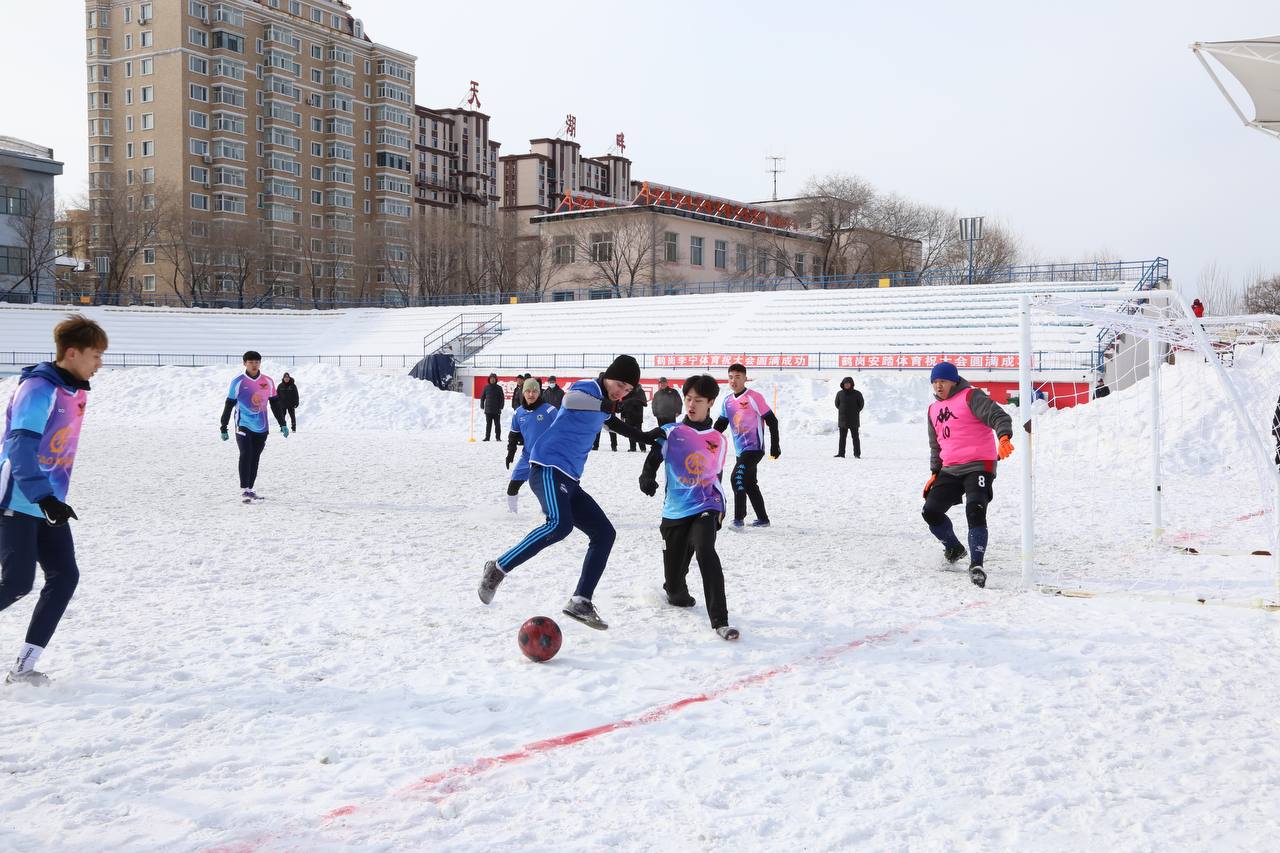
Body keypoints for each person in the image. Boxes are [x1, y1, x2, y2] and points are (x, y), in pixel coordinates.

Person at [478, 355, 656, 630]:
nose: (621, 392)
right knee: (559, 525)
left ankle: (581, 600)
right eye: (619, 384)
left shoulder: (603, 404)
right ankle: (498, 568)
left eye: (627, 390)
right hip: (547, 466)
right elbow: (569, 401)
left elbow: (612, 423)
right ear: (608, 375)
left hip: (570, 477)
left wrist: (645, 437)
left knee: (605, 533)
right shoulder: (588, 388)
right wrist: (605, 405)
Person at [0, 315, 108, 685]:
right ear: (73, 353)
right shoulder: (38, 389)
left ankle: (24, 668)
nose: (100, 363)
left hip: (48, 502)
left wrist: (52, 499)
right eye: (95, 355)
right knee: (15, 584)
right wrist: (43, 495)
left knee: (64, 577)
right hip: (17, 501)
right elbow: (20, 445)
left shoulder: (71, 390)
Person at [639, 374, 739, 640]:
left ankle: (720, 620)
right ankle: (677, 591)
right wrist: (647, 476)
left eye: (698, 400)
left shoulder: (717, 439)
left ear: (711, 403)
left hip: (707, 503)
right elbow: (653, 457)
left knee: (706, 549)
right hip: (674, 510)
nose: (692, 404)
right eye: (688, 399)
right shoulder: (671, 431)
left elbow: (715, 475)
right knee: (674, 588)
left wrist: (718, 508)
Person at [921, 361, 1014, 589]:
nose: (938, 386)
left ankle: (977, 565)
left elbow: (998, 416)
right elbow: (936, 445)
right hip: (950, 468)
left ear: (954, 381)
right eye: (934, 382)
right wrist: (935, 472)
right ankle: (954, 547)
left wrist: (1003, 437)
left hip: (978, 465)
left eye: (942, 381)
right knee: (930, 512)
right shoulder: (933, 410)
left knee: (975, 509)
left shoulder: (971, 397)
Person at [713, 363, 780, 528]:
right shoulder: (727, 401)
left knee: (737, 478)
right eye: (730, 377)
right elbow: (720, 425)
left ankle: (739, 519)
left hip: (754, 449)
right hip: (740, 450)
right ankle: (763, 519)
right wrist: (706, 440)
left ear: (745, 378)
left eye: (737, 377)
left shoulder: (753, 397)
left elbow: (772, 420)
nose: (733, 380)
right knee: (749, 483)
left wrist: (774, 446)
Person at [219, 350, 289, 503]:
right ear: (245, 363)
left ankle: (250, 489)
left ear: (260, 363)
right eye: (250, 362)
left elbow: (275, 403)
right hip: (243, 424)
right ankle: (244, 490)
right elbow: (229, 403)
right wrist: (223, 426)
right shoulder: (238, 381)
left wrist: (282, 423)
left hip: (261, 426)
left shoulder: (268, 381)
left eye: (256, 361)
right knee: (246, 454)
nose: (254, 364)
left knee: (255, 457)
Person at [505, 378, 557, 513]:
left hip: (546, 458)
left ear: (539, 393)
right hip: (527, 456)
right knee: (513, 485)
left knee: (545, 487)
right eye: (528, 391)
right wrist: (510, 452)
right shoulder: (519, 412)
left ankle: (547, 512)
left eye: (534, 391)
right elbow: (513, 434)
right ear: (523, 392)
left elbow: (562, 431)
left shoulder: (550, 411)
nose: (531, 394)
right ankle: (512, 513)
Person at [834, 376, 864, 458]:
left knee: (855, 438)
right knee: (842, 438)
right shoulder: (839, 393)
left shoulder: (857, 393)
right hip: (843, 419)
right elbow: (837, 404)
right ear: (843, 384)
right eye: (845, 383)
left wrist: (855, 411)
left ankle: (857, 454)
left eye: (848, 383)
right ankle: (841, 453)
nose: (846, 385)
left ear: (851, 384)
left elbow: (861, 405)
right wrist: (843, 411)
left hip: (854, 419)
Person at [620, 383, 649, 451]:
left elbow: (644, 402)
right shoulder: (626, 390)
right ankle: (632, 447)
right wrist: (623, 414)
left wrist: (632, 401)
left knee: (638, 432)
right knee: (629, 432)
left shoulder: (640, 391)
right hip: (628, 415)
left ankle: (643, 448)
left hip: (637, 415)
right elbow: (623, 404)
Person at [479, 373, 505, 441]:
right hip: (488, 410)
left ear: (496, 380)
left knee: (497, 425)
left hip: (496, 410)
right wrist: (482, 404)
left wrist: (501, 407)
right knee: (488, 425)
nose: (492, 380)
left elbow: (502, 398)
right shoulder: (486, 387)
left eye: (493, 378)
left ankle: (498, 437)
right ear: (489, 379)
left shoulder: (499, 388)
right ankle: (487, 437)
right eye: (491, 378)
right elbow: (482, 397)